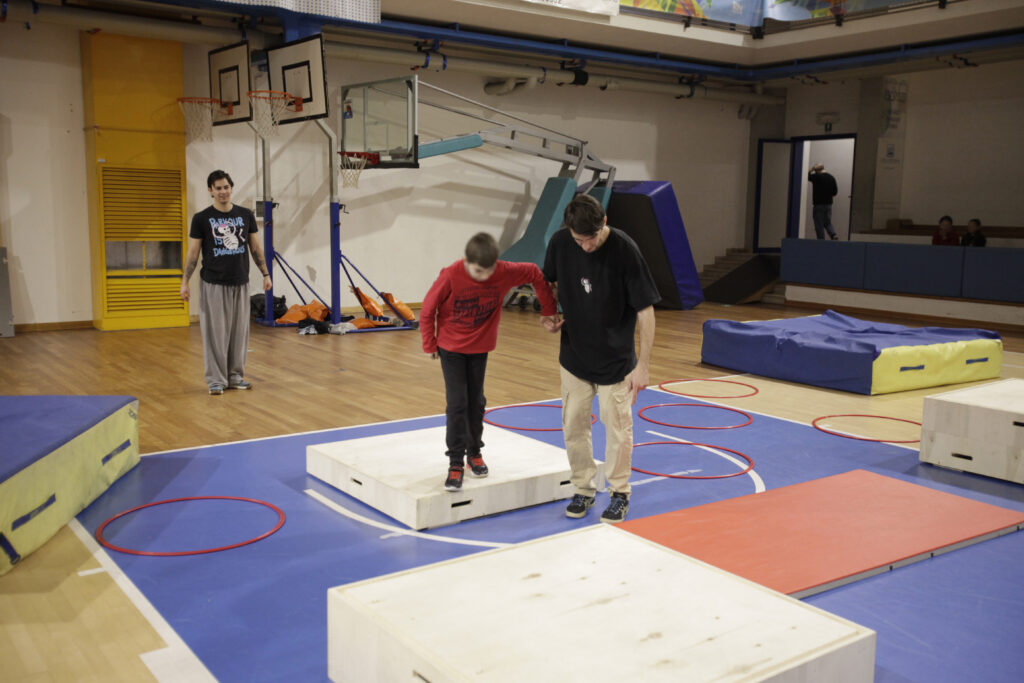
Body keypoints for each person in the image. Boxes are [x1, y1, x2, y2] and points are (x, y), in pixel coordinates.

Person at [541, 194, 660, 524]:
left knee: (617, 428)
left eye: (591, 238)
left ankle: (619, 493)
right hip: (575, 356)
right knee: (573, 424)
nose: (586, 246)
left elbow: (646, 311)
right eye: (579, 239)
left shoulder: (624, 250)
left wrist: (644, 365)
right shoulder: (562, 243)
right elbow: (547, 282)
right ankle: (583, 487)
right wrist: (549, 314)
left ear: (604, 221)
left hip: (616, 361)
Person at [420, 232, 557, 492]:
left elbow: (536, 275)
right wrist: (429, 343)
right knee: (458, 403)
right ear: (466, 261)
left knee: (477, 401)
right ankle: (456, 462)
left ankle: (474, 452)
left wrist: (549, 310)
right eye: (477, 271)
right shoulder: (451, 274)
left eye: (487, 271)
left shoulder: (505, 271)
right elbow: (427, 310)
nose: (482, 276)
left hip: (480, 347)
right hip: (451, 347)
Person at [181, 170, 272, 395]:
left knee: (239, 333)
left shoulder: (245, 215)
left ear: (231, 188)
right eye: (218, 188)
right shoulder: (201, 218)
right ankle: (216, 380)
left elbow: (256, 248)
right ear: (210, 191)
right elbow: (193, 253)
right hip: (213, 283)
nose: (223, 191)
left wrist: (266, 274)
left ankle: (234, 376)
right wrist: (184, 282)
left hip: (240, 282)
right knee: (216, 334)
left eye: (226, 187)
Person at [807, 163, 839, 240]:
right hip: (828, 205)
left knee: (819, 225)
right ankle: (833, 234)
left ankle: (821, 241)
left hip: (818, 205)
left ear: (817, 170)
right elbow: (835, 192)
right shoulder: (831, 178)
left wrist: (813, 168)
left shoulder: (816, 176)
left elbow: (806, 175)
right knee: (827, 222)